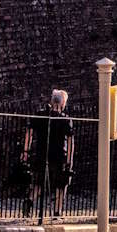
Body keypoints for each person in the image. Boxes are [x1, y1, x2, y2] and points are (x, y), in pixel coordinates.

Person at [23, 89, 74, 218]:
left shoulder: (40, 115)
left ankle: (29, 201)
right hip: (59, 156)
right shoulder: (65, 120)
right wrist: (69, 161)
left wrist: (25, 151)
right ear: (63, 104)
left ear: (51, 101)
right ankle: (57, 211)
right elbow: (70, 141)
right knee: (61, 184)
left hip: (42, 153)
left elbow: (29, 131)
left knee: (38, 183)